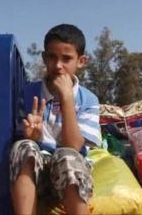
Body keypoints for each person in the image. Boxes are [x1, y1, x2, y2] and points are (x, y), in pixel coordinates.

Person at [9, 24, 101, 215]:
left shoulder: (88, 100)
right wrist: (31, 136)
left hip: (70, 177)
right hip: (38, 177)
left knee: (67, 156)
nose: (58, 65)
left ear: (81, 61)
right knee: (23, 147)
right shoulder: (28, 94)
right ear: (44, 58)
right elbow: (24, 144)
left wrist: (66, 98)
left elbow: (74, 146)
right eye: (52, 57)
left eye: (67, 59)